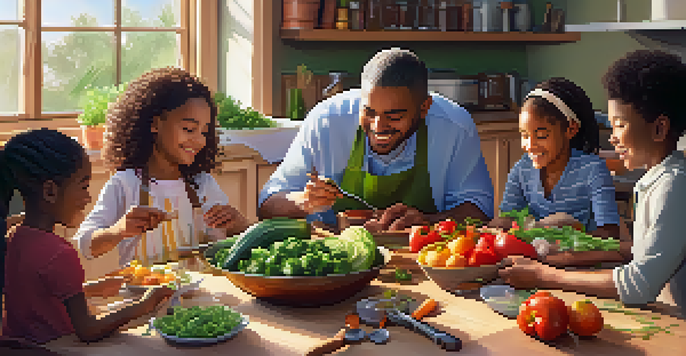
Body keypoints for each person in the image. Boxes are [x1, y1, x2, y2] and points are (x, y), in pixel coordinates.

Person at [499, 50, 686, 316]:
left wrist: (544, 274)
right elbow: (638, 257)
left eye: (620, 126)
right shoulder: (655, 180)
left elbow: (638, 285)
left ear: (659, 129)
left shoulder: (673, 186)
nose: (613, 138)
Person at [258, 48, 494, 231]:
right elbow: (267, 205)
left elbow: (480, 211)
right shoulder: (327, 121)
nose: (378, 127)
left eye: (394, 116)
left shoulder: (454, 127)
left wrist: (428, 221)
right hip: (340, 263)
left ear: (424, 108)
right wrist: (303, 201)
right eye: (369, 112)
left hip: (424, 259)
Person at [1, 129, 174, 344]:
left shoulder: (13, 235)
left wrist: (93, 288)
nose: (88, 197)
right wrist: (144, 305)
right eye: (83, 186)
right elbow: (88, 330)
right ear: (50, 192)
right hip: (57, 349)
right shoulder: (59, 253)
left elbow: (36, 295)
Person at [73, 67, 249, 278]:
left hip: (202, 295)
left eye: (204, 132)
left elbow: (230, 239)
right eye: (189, 130)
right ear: (155, 124)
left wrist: (239, 224)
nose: (199, 140)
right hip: (145, 299)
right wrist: (118, 230)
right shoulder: (125, 184)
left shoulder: (203, 183)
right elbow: (85, 245)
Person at [489, 78, 628, 262]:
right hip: (535, 262)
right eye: (524, 135)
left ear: (571, 129)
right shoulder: (521, 169)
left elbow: (609, 233)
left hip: (583, 264)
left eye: (541, 135)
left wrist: (561, 243)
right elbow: (508, 219)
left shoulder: (593, 169)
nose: (530, 145)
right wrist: (493, 228)